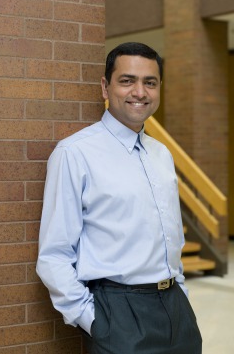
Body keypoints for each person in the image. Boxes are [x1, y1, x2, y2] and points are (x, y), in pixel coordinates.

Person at [36, 42, 202, 354]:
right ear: (105, 86)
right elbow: (54, 254)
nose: (139, 92)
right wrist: (92, 319)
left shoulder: (161, 154)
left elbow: (171, 236)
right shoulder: (75, 153)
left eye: (149, 82)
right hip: (118, 315)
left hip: (176, 311)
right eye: (127, 80)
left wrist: (180, 291)